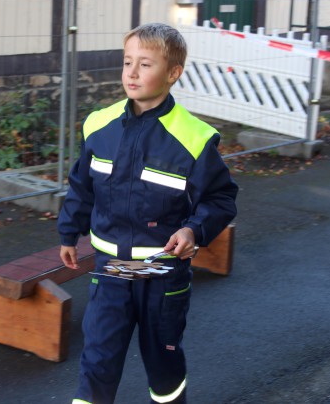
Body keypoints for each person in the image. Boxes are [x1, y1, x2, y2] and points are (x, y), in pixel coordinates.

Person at [57, 23, 238, 403]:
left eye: (145, 64)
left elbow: (220, 199)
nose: (132, 73)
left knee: (163, 360)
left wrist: (194, 231)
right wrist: (68, 231)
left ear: (173, 73)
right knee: (98, 357)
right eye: (127, 63)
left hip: (161, 269)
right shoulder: (99, 126)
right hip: (111, 268)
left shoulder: (194, 138)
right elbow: (81, 185)